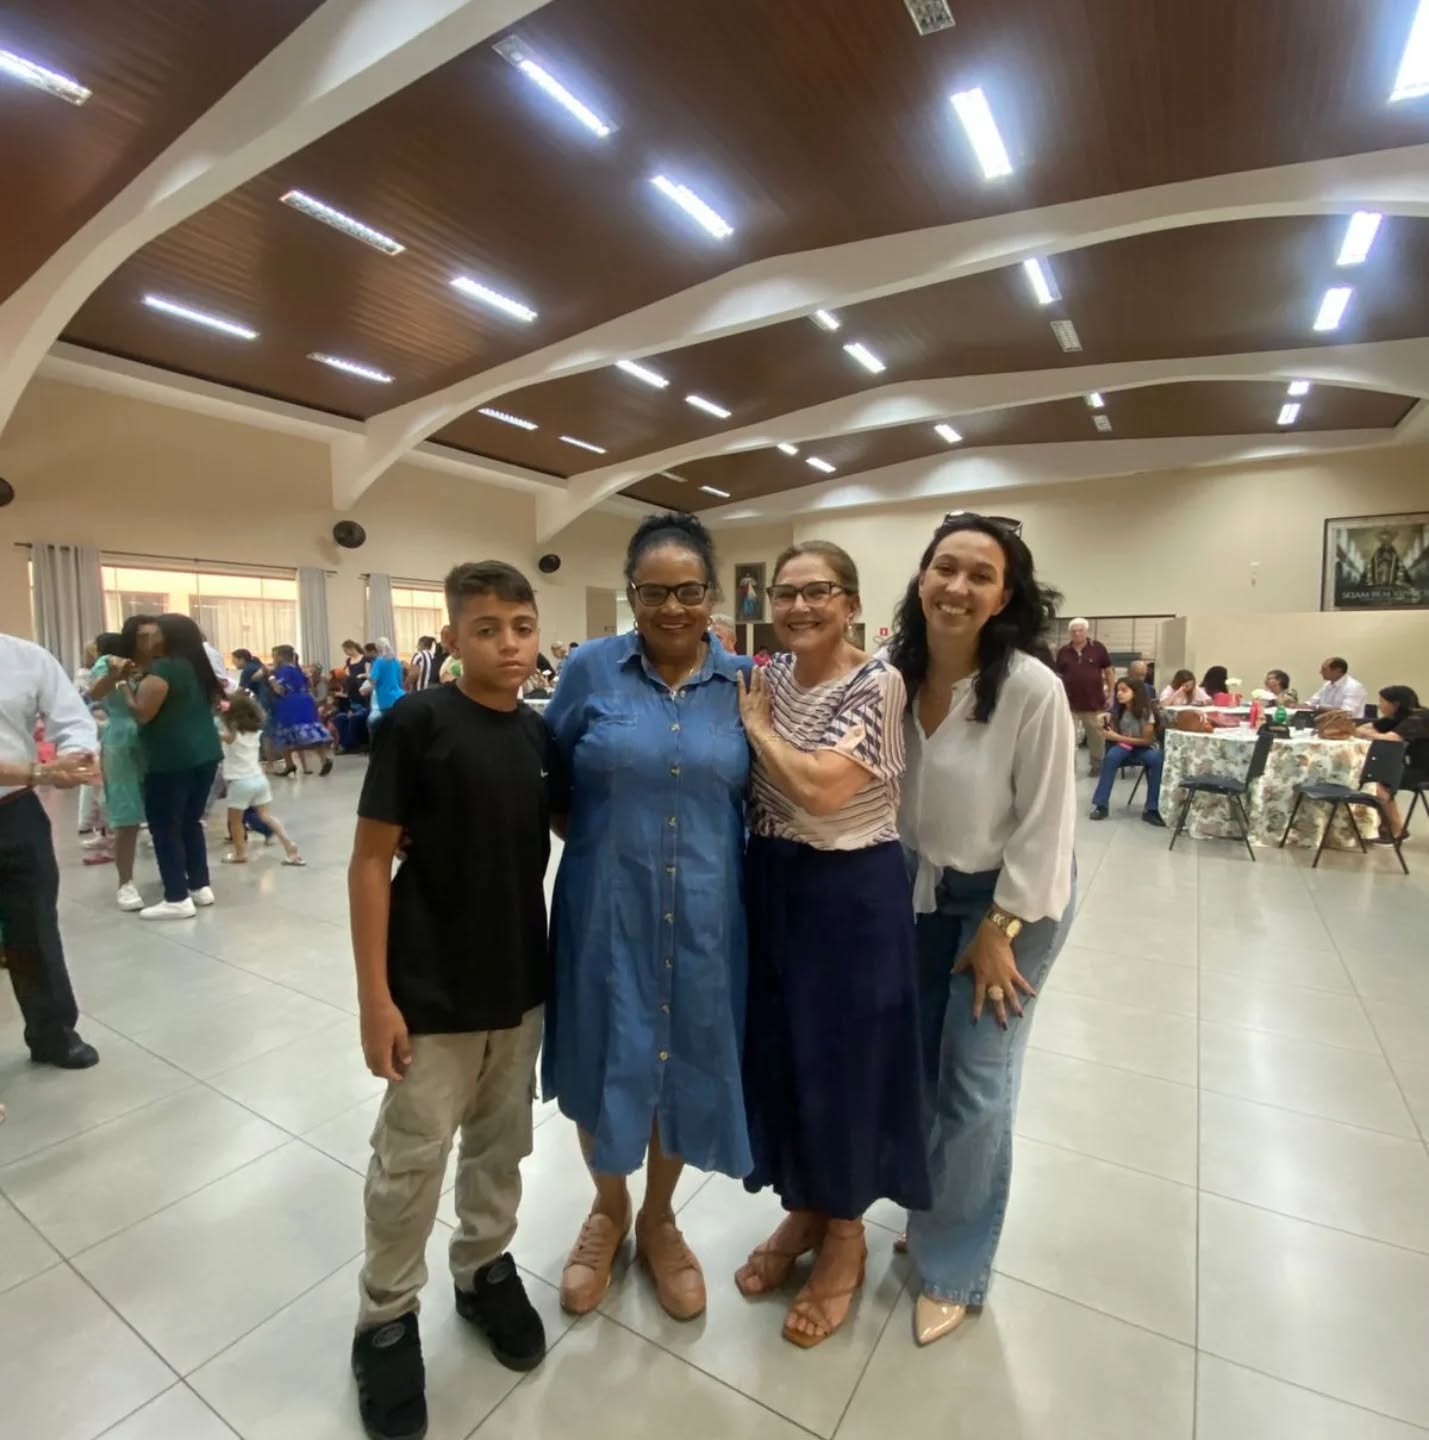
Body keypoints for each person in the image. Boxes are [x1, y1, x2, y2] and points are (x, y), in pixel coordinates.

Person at [349, 562, 560, 1439]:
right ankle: (386, 1314)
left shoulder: (538, 733)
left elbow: (570, 826)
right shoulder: (418, 722)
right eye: (486, 629)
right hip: (431, 987)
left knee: (501, 1145)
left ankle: (483, 1267)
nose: (508, 645)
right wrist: (375, 999)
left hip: (519, 982)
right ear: (452, 638)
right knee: (412, 1158)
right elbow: (370, 862)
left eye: (521, 627)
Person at [544, 514, 750, 1324]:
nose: (672, 608)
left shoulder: (744, 683)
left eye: (688, 591)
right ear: (630, 595)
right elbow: (547, 781)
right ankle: (608, 1209)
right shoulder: (589, 671)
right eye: (653, 592)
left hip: (707, 915)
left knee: (680, 1060)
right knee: (602, 1053)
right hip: (606, 909)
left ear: (712, 594)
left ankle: (660, 1218)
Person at [735, 541, 928, 1348]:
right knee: (782, 1055)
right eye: (785, 593)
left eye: (818, 592)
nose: (799, 606)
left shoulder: (875, 681)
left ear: (851, 604)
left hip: (848, 892)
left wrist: (755, 729)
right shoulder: (771, 674)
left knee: (844, 1064)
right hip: (772, 881)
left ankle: (845, 1234)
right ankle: (804, 1208)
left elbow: (820, 790)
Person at [889, 514, 1076, 1346]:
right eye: (945, 568)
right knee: (923, 1066)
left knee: (973, 1078)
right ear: (921, 577)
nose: (956, 587)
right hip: (921, 891)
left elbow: (1047, 828)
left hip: (1013, 904)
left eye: (979, 576)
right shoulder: (893, 677)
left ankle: (953, 1265)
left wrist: (998, 926)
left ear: (1004, 598)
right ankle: (932, 1203)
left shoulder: (1030, 689)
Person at [0, 633, 103, 1068]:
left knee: (35, 923)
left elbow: (72, 718)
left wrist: (75, 757)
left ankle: (53, 1032)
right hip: (25, 780)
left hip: (15, 810)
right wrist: (38, 770)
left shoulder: (24, 657)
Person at [123, 613, 224, 920]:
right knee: (190, 821)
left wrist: (122, 685)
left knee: (165, 827)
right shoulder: (198, 666)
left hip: (171, 758)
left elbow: (143, 713)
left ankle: (176, 897)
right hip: (205, 753)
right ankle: (200, 885)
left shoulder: (163, 669)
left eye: (154, 633)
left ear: (168, 637)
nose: (149, 639)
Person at [86, 632, 148, 910]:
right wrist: (116, 675)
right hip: (121, 740)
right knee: (126, 814)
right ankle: (126, 883)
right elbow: (96, 692)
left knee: (165, 810)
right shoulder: (109, 663)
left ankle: (176, 874)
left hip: (153, 736)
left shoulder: (152, 661)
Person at [219, 692, 303, 866]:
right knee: (266, 816)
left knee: (235, 821)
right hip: (259, 779)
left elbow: (218, 734)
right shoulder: (256, 731)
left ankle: (240, 853)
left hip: (240, 781)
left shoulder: (231, 734)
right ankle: (289, 845)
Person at [1356, 685, 1429, 842]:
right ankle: (1383, 826)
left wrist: (1373, 735)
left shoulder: (1420, 718)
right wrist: (1374, 734)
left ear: (1395, 704)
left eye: (1382, 702)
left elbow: (1392, 738)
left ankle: (1397, 829)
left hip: (1423, 770)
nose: (1379, 706)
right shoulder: (1396, 717)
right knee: (1372, 776)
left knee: (1378, 781)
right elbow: (1361, 729)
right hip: (1410, 766)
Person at [1089, 679, 1166, 825]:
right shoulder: (1118, 711)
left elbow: (1147, 741)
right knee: (1111, 757)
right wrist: (1104, 723)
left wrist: (1116, 737)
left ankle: (1152, 809)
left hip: (1143, 748)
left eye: (1124, 690)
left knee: (1157, 759)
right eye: (1118, 690)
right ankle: (1101, 805)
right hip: (1124, 746)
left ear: (1135, 693)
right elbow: (1111, 733)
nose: (1119, 694)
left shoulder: (1146, 712)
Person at [1054, 618, 1113, 776]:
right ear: (1070, 633)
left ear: (1086, 632)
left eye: (1080, 630)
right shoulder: (1063, 652)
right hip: (1069, 703)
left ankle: (1097, 765)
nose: (1077, 634)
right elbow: (1057, 676)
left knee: (1096, 737)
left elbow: (1109, 672)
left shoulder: (1098, 648)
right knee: (1068, 738)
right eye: (1074, 631)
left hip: (1094, 702)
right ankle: (1069, 768)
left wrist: (1111, 694)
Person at [268, 645, 334, 776]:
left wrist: (271, 678)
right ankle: (323, 759)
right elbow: (308, 685)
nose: (273, 658)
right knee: (311, 734)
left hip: (291, 704)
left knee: (286, 735)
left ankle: (290, 764)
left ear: (280, 656)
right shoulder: (297, 669)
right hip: (305, 701)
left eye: (274, 655)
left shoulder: (283, 670)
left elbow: (279, 690)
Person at [367, 638, 406, 730]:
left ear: (378, 649)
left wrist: (367, 676)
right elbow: (400, 682)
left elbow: (373, 681)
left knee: (385, 729)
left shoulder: (378, 662)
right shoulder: (396, 661)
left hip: (386, 699)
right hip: (400, 697)